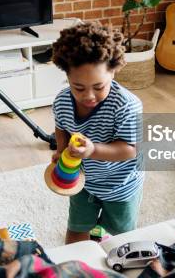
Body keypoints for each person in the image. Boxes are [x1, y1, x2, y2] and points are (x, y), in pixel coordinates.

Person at [50, 22, 144, 244]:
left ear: (114, 70)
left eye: (98, 86)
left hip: (121, 185)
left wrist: (92, 150)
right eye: (78, 87)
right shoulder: (62, 101)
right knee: (76, 231)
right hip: (83, 183)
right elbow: (62, 127)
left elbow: (130, 150)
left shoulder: (127, 106)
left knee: (123, 239)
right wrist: (61, 150)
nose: (89, 96)